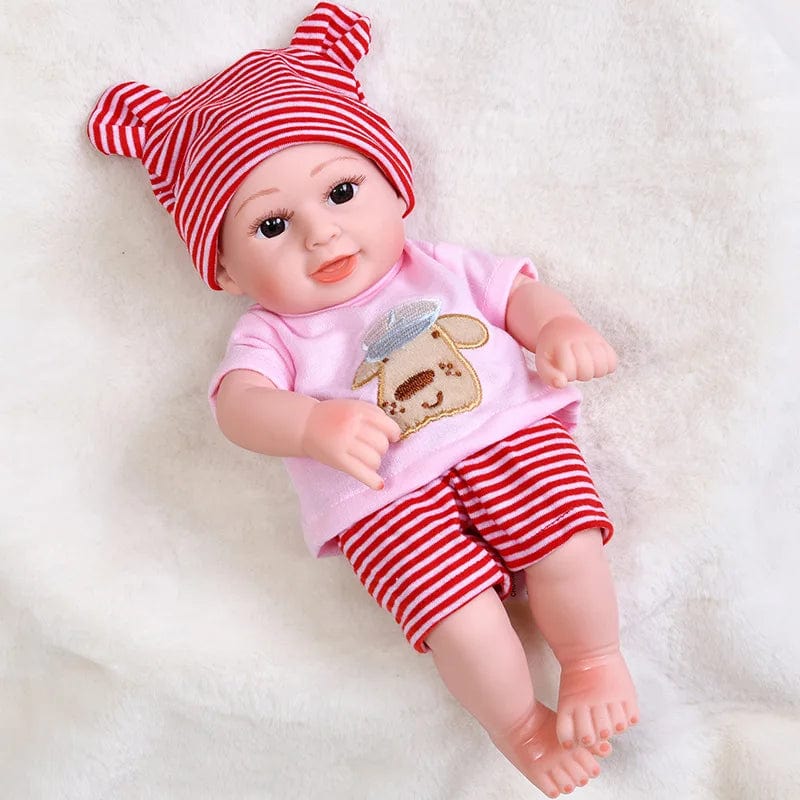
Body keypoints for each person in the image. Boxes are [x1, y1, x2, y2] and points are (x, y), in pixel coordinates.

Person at [87, 4, 638, 796]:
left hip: (508, 438)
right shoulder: (271, 334)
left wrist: (560, 329)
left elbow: (519, 293)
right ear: (226, 271)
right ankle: (521, 728)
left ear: (394, 184)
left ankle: (592, 662)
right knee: (459, 621)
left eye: (342, 191)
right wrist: (312, 423)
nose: (321, 234)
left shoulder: (439, 268)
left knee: (567, 546)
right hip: (382, 500)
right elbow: (239, 405)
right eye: (272, 225)